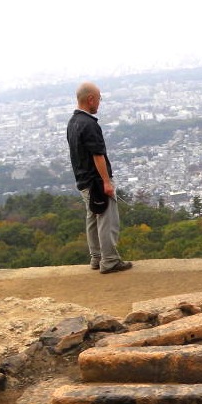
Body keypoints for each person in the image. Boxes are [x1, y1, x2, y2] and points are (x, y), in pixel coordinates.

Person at [67, 82, 132, 274]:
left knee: (93, 217)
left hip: (83, 180)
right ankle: (110, 260)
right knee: (106, 218)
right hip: (96, 181)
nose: (99, 103)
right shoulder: (89, 124)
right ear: (91, 99)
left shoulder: (73, 122)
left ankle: (96, 258)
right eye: (99, 98)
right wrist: (106, 182)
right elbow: (97, 155)